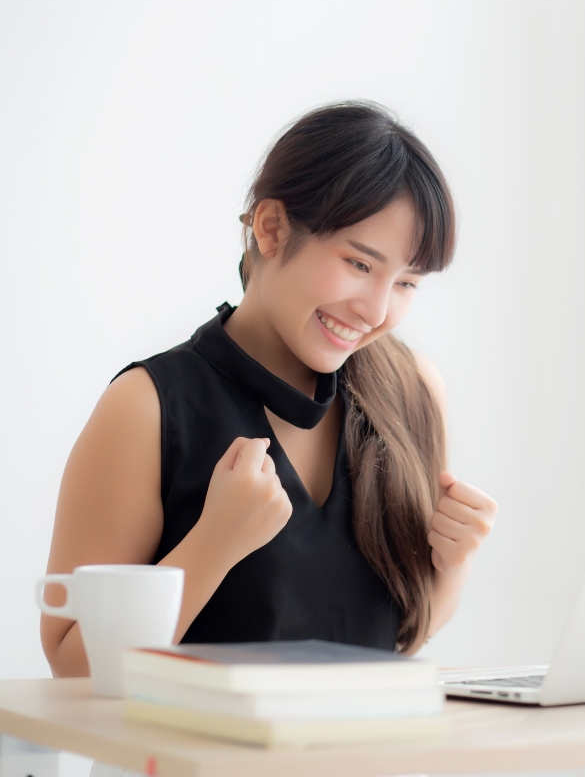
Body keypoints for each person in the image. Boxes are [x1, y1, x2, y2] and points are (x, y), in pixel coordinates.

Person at [41, 102, 497, 674]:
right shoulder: (146, 407)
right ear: (272, 228)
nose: (378, 311)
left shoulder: (412, 391)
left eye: (406, 282)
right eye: (359, 264)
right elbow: (71, 664)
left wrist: (452, 565)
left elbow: (397, 639)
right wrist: (212, 546)